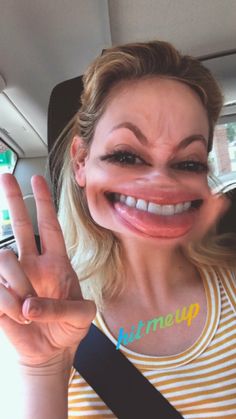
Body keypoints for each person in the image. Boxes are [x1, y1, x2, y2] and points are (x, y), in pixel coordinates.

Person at [0, 40, 235, 419]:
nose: (161, 183)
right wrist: (41, 369)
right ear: (81, 161)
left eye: (189, 162)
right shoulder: (35, 317)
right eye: (126, 155)